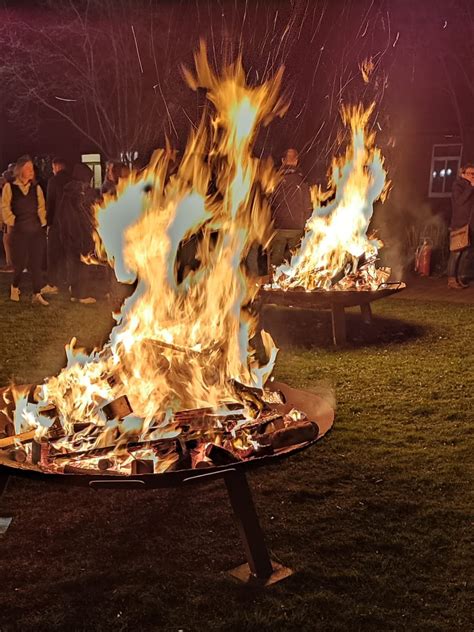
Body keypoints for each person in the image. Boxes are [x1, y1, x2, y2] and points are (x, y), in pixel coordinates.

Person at [1, 155, 51, 305]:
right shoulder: (10, 187)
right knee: (20, 263)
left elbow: (41, 206)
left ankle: (37, 293)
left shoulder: (36, 188)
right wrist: (13, 221)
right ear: (20, 170)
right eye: (28, 168)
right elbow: (4, 207)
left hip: (35, 231)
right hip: (19, 231)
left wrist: (43, 223)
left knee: (36, 263)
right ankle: (15, 287)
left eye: (32, 169)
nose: (31, 171)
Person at [56, 163, 98, 304]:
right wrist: (82, 237)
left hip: (69, 235)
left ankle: (75, 293)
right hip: (78, 235)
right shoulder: (76, 195)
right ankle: (82, 294)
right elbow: (77, 218)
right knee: (82, 264)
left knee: (73, 264)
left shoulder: (69, 192)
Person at [269, 148, 313, 267]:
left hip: (279, 226)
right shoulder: (301, 180)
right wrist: (304, 221)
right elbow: (307, 205)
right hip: (296, 226)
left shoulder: (274, 180)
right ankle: (292, 282)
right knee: (294, 260)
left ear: (283, 160)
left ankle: (274, 283)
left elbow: (269, 203)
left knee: (276, 261)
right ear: (296, 161)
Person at [46, 157, 72, 290]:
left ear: (56, 166)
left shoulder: (53, 181)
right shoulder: (72, 180)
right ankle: (69, 282)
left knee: (53, 253)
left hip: (57, 222)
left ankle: (53, 283)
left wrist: (48, 223)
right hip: (71, 223)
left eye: (52, 167)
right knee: (68, 254)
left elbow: (50, 203)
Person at [447, 163, 474, 289]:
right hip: (459, 225)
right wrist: (470, 188)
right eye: (471, 174)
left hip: (470, 225)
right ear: (463, 174)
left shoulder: (471, 187)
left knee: (466, 253)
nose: (473, 176)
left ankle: (460, 277)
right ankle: (451, 280)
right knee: (456, 253)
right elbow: (460, 201)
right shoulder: (458, 186)